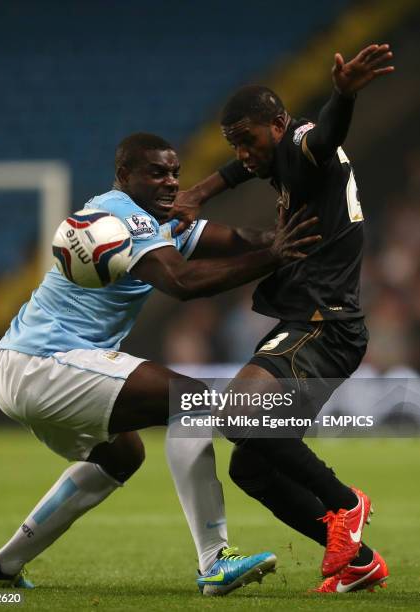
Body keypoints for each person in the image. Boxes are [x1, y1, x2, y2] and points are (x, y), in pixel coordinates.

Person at [0, 133, 320, 596]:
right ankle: (215, 560)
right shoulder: (119, 214)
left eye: (174, 172)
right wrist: (271, 256)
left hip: (22, 366)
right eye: (156, 173)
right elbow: (181, 282)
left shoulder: (158, 222)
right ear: (124, 177)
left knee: (121, 456)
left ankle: (2, 565)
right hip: (43, 362)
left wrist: (291, 240)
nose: (171, 182)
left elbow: (236, 240)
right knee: (190, 397)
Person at [169, 44, 394, 593]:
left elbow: (325, 136)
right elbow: (244, 166)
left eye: (248, 139)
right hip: (314, 325)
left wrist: (343, 94)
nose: (243, 154)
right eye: (233, 144)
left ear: (279, 123)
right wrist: (201, 190)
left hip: (323, 324)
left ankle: (347, 505)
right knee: (252, 466)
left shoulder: (302, 145)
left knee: (237, 414)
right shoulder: (278, 158)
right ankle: (359, 560)